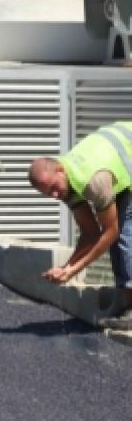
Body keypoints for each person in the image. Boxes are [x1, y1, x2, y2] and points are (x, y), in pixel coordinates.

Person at [29, 121, 132, 330]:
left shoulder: (94, 181)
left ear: (59, 169)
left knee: (123, 236)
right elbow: (90, 233)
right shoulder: (65, 184)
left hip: (124, 157)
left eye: (54, 189)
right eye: (48, 194)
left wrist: (73, 270)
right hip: (117, 162)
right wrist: (65, 268)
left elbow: (110, 233)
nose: (55, 195)